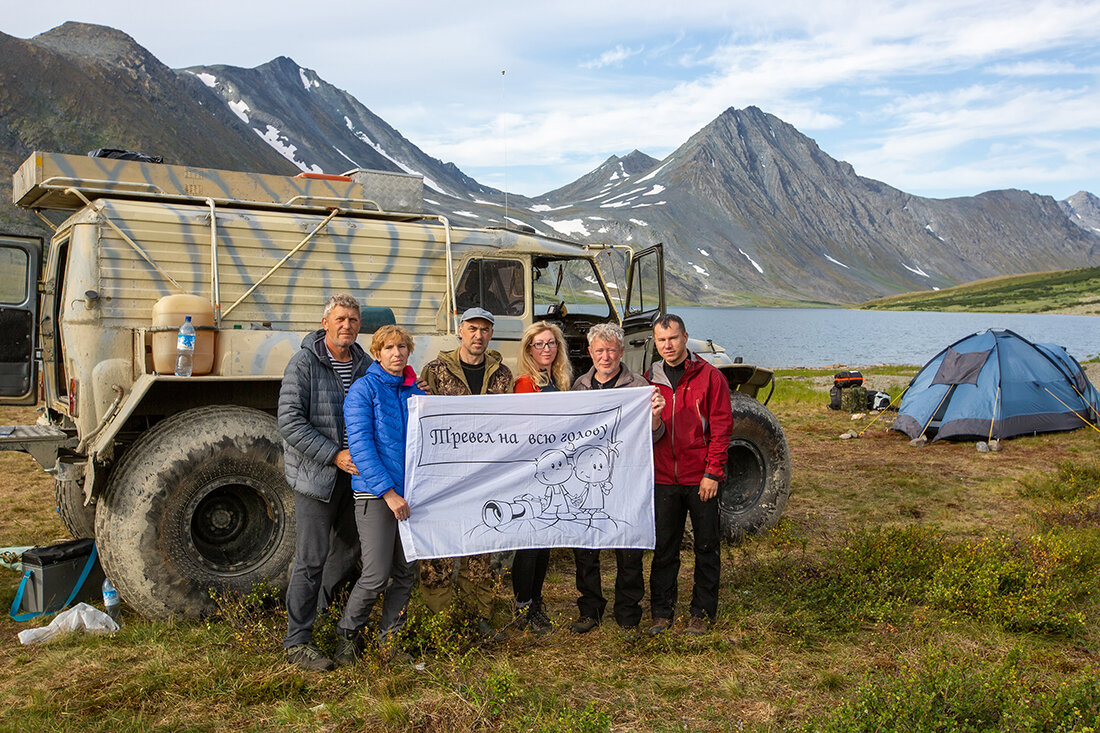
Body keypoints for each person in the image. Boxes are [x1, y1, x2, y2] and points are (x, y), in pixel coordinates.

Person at [278, 294, 369, 671]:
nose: (346, 325)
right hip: (318, 477)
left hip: (358, 477)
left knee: (349, 550)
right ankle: (297, 641)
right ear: (325, 322)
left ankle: (322, 610)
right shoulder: (304, 363)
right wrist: (334, 455)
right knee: (311, 558)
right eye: (340, 319)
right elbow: (290, 422)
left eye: (352, 319)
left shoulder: (365, 363)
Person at [418, 307, 513, 637]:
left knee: (480, 549)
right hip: (443, 476)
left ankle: (477, 617)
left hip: (485, 474)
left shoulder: (502, 375)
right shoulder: (434, 370)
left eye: (485, 330)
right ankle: (441, 621)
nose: (478, 335)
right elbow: (419, 417)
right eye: (473, 328)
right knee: (440, 549)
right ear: (460, 330)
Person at [333, 325, 424, 665]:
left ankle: (389, 643)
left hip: (411, 496)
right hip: (376, 497)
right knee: (375, 574)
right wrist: (387, 493)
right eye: (389, 347)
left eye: (402, 347)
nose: (397, 353)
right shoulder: (363, 391)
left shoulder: (415, 393)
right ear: (376, 353)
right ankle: (347, 635)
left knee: (404, 573)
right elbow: (361, 447)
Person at [568, 323, 666, 634]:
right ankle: (590, 608)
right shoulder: (579, 387)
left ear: (622, 352)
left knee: (628, 547)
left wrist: (655, 416)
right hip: (586, 479)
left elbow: (656, 435)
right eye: (599, 350)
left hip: (626, 480)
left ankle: (628, 609)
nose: (606, 356)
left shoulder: (639, 387)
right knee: (586, 547)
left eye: (611, 350)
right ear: (590, 353)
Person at [645, 313, 733, 636]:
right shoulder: (648, 381)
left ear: (685, 338)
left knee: (706, 546)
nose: (667, 345)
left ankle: (702, 612)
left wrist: (712, 472)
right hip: (664, 478)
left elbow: (722, 428)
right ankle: (661, 613)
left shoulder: (709, 378)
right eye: (661, 340)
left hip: (701, 479)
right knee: (664, 548)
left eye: (673, 338)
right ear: (655, 343)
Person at [509, 322, 573, 634]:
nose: (545, 349)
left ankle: (536, 599)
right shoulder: (525, 383)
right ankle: (523, 605)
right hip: (531, 472)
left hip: (554, 471)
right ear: (529, 349)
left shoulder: (560, 381)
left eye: (551, 344)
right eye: (539, 344)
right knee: (529, 543)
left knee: (545, 541)